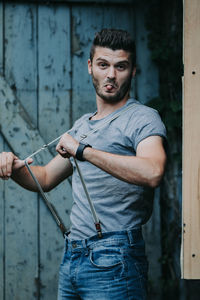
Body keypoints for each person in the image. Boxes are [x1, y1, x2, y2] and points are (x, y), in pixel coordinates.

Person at [0, 29, 167, 299]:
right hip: (74, 255)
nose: (111, 74)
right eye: (103, 65)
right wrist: (15, 168)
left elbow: (153, 171)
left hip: (115, 258)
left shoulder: (142, 118)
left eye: (120, 66)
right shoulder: (83, 125)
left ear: (133, 71)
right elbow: (44, 178)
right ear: (90, 67)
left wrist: (83, 151)